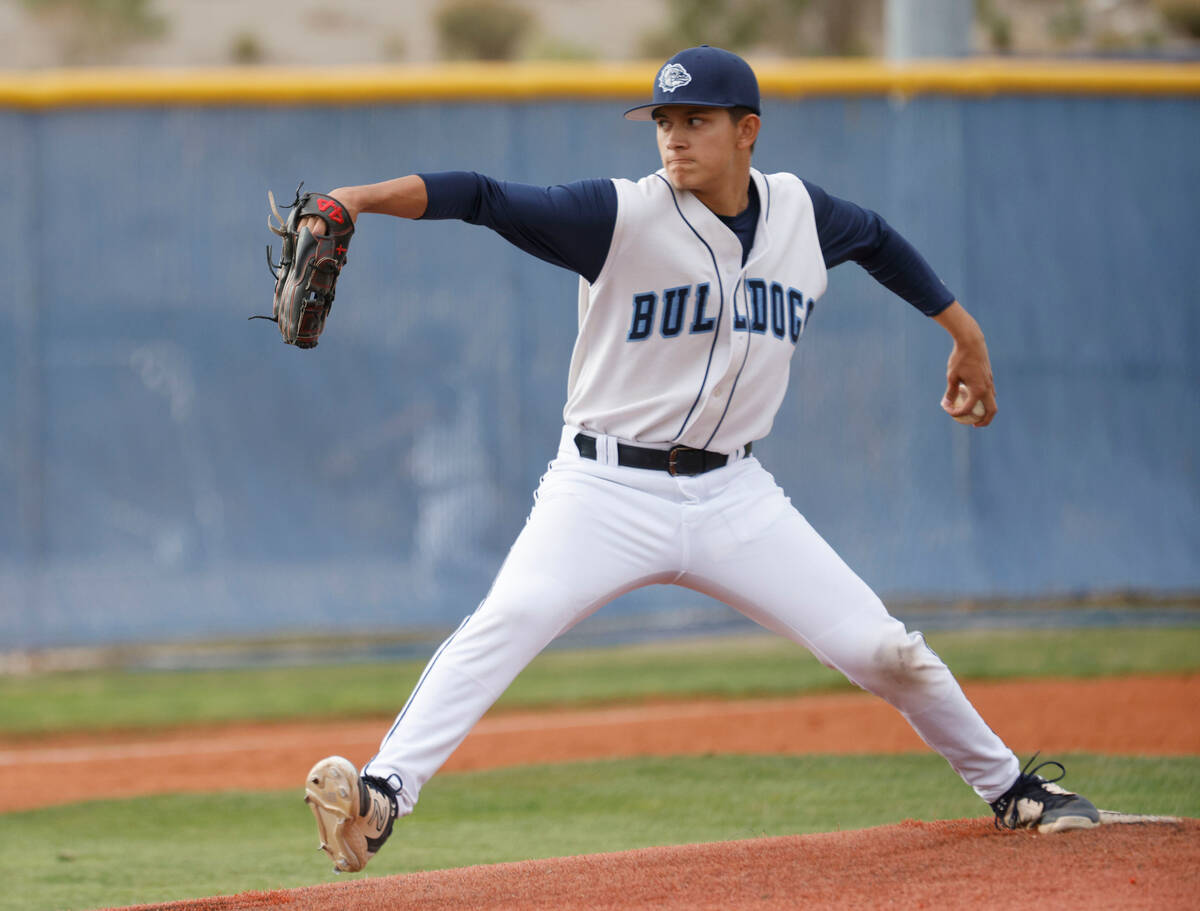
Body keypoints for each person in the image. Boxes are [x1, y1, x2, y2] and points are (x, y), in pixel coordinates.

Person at [301, 46, 1099, 874]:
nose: (673, 138)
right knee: (508, 619)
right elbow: (482, 196)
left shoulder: (801, 215)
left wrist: (964, 333)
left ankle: (1012, 788)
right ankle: (384, 793)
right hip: (602, 487)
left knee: (885, 650)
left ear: (747, 130)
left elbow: (880, 241)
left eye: (696, 120)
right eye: (663, 121)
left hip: (734, 495)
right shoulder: (618, 215)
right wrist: (357, 200)